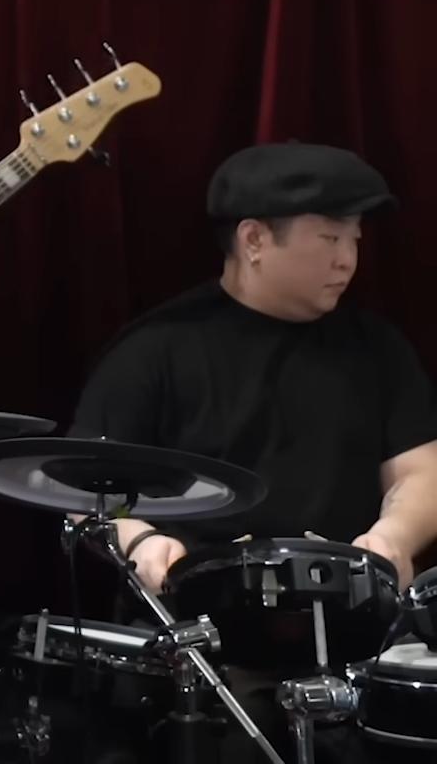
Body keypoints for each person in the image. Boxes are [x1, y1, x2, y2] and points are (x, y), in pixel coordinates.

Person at [70, 143, 437, 763]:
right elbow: (85, 488)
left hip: (351, 633)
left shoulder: (377, 348)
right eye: (329, 238)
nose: (347, 259)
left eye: (354, 239)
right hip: (199, 644)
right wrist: (142, 543)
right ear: (254, 239)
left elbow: (421, 470)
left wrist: (393, 538)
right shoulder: (155, 351)